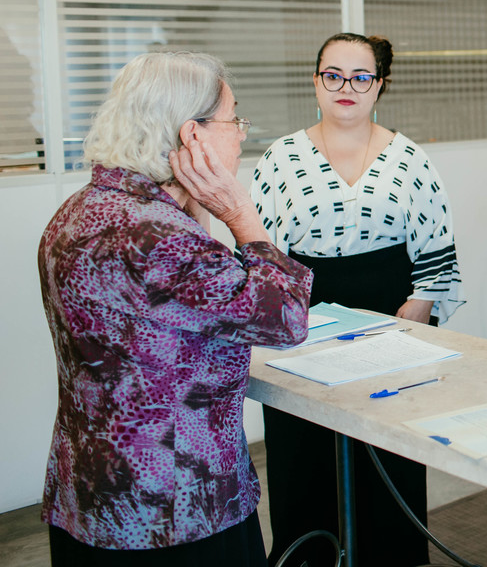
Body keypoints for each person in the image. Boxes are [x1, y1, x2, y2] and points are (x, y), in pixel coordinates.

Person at [39, 52, 312, 567]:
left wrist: (193, 204)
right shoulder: (159, 239)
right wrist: (241, 216)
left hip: (91, 496)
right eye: (235, 120)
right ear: (194, 135)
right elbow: (285, 318)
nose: (242, 135)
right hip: (174, 511)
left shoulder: (83, 211)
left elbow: (182, 311)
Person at [251, 32, 462, 567]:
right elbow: (259, 254)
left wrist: (419, 308)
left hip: (392, 315)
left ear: (379, 85)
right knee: (306, 456)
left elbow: (437, 248)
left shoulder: (409, 157)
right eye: (333, 75)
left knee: (387, 452)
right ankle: (310, 555)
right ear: (316, 81)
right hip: (306, 319)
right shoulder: (281, 157)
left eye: (360, 77)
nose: (347, 87)